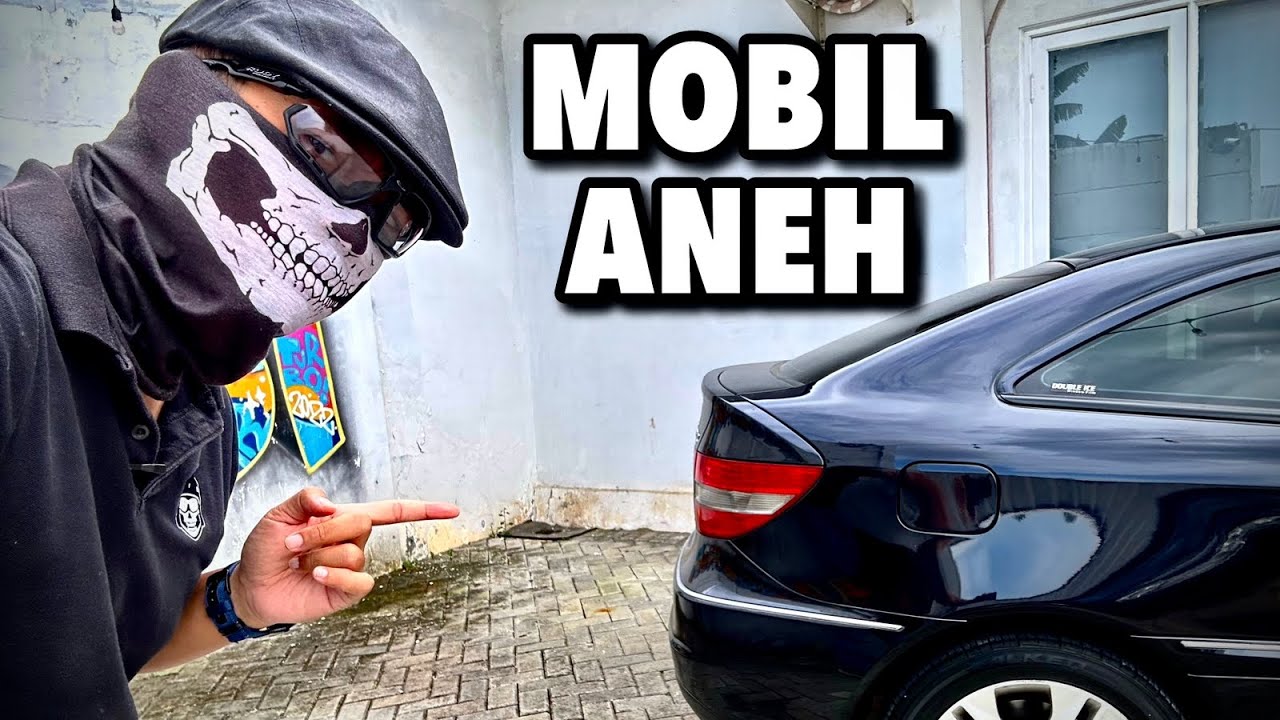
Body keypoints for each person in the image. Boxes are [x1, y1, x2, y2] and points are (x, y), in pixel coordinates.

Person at [0, 0, 470, 716]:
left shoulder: (201, 418)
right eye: (325, 151)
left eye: (390, 220)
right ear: (191, 87)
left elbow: (94, 652)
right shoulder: (12, 305)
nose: (357, 234)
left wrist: (239, 602)